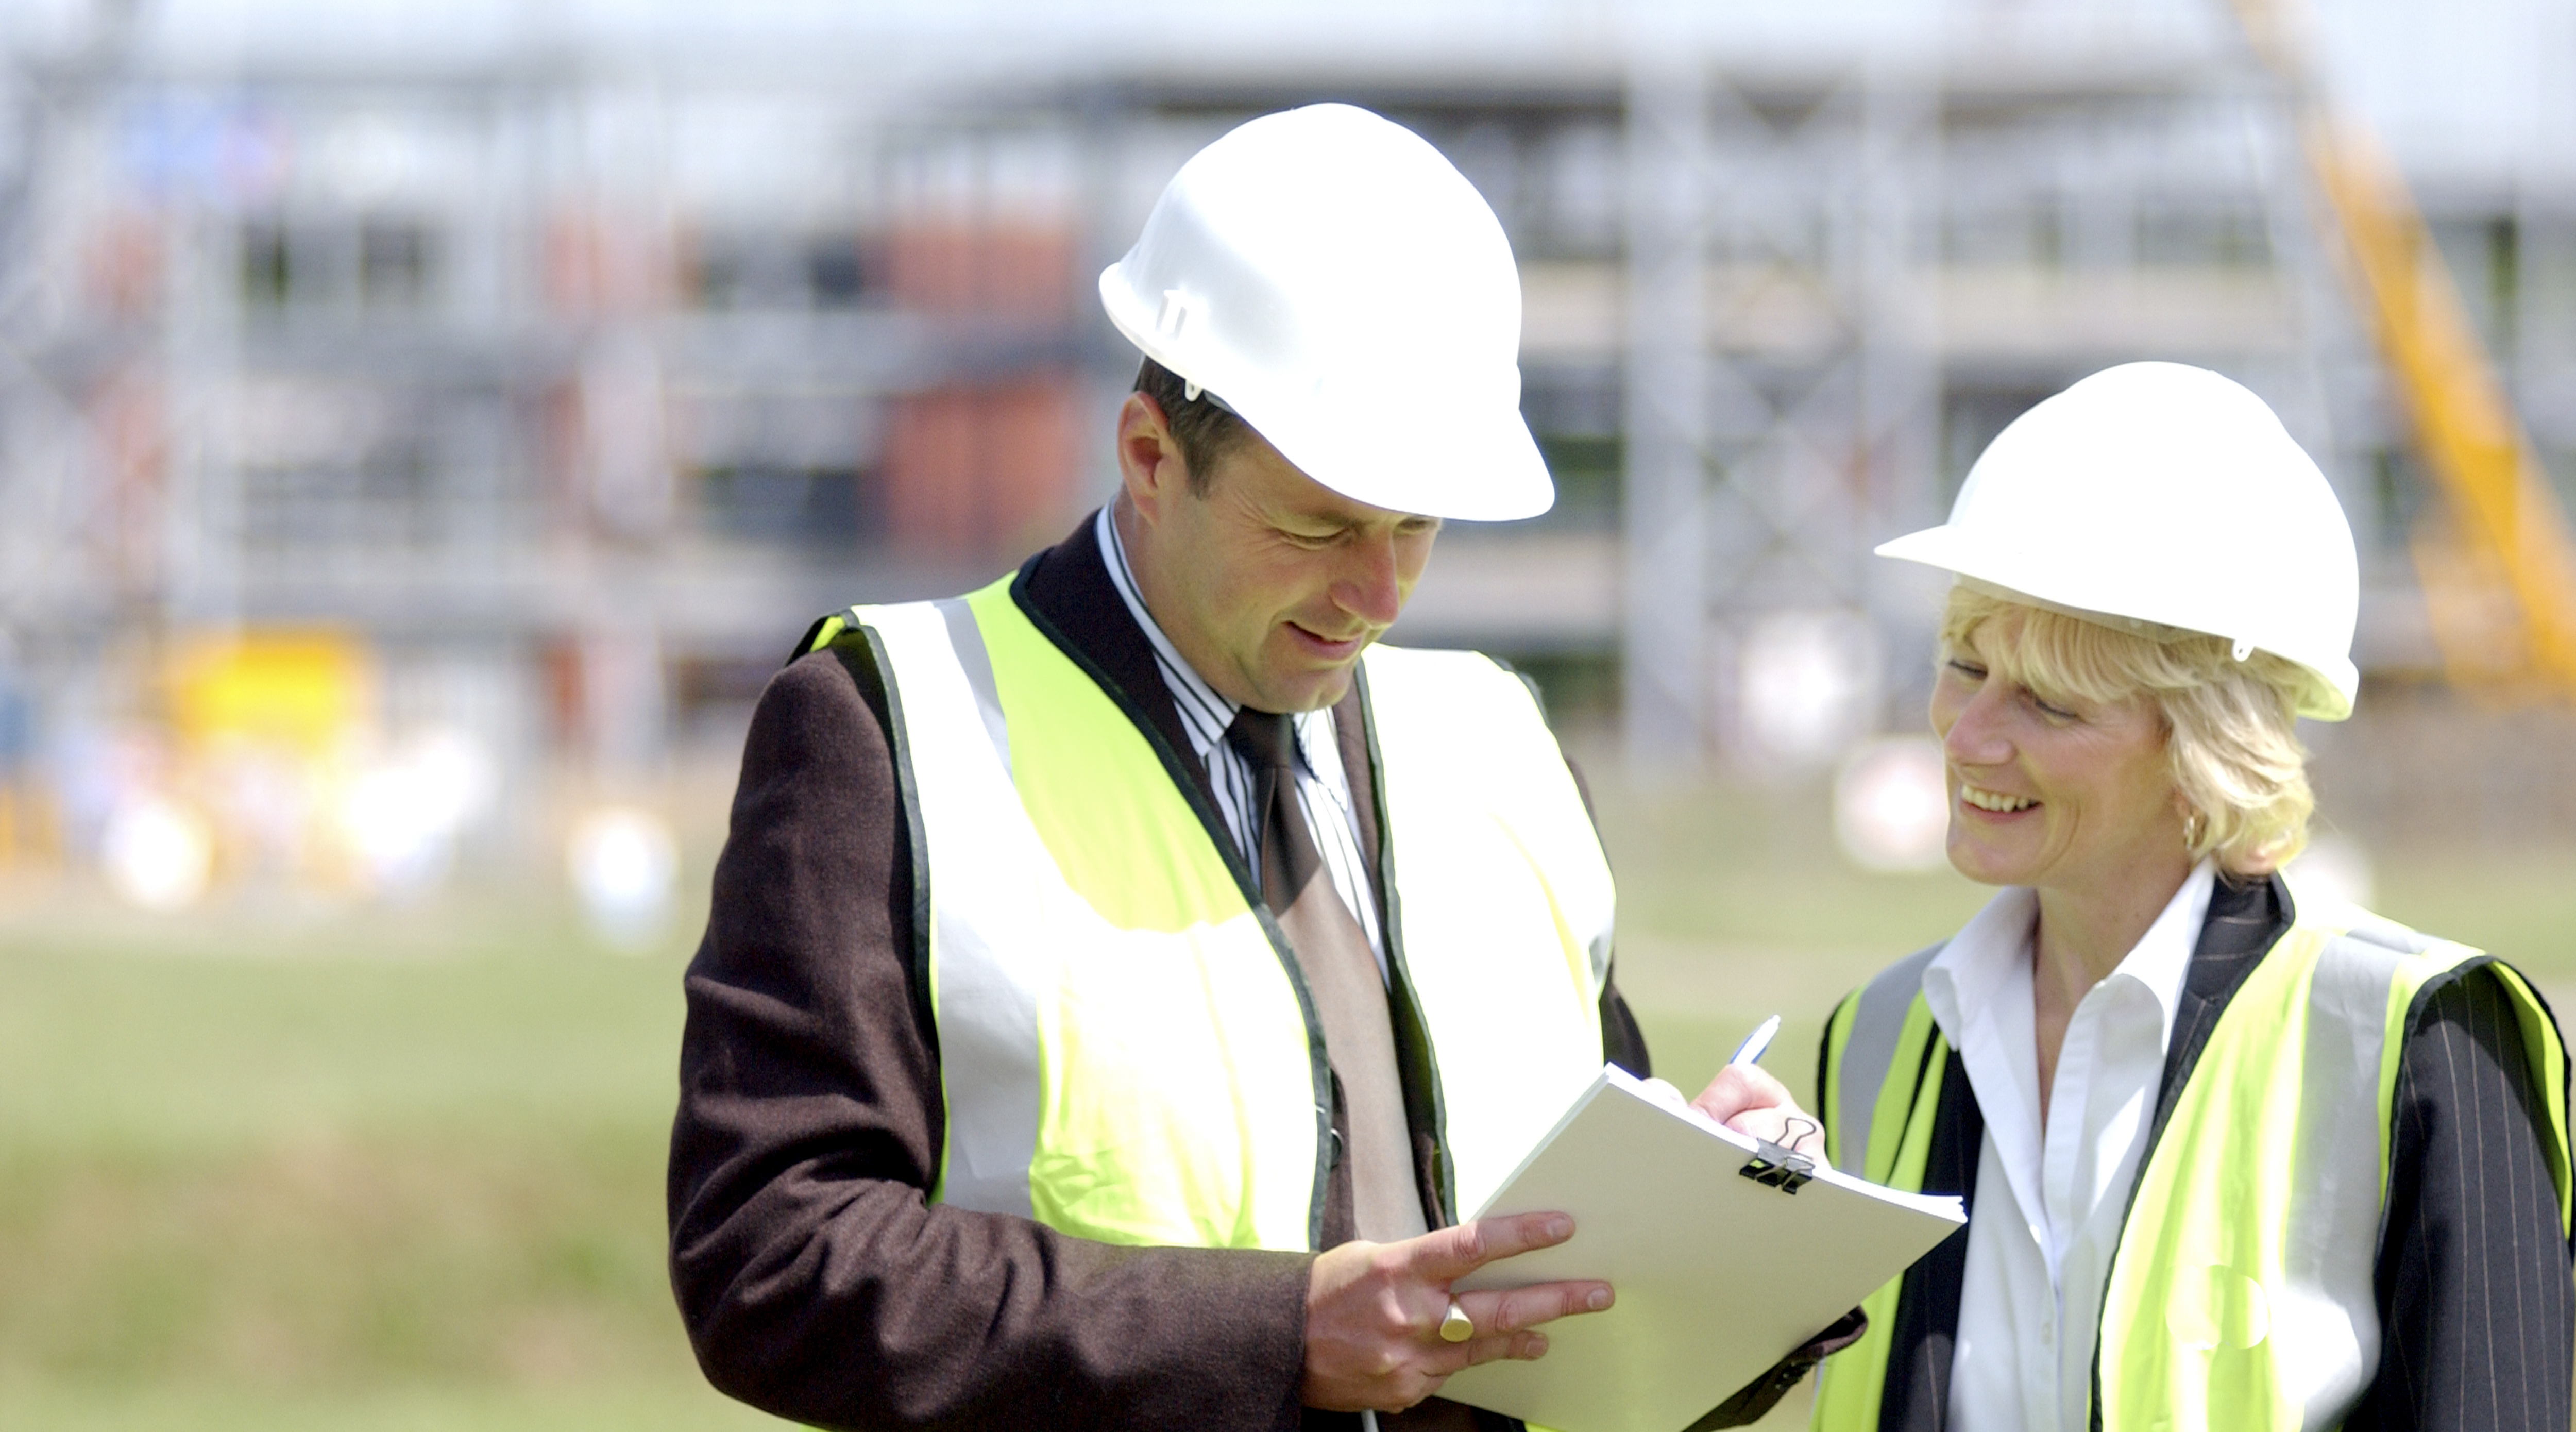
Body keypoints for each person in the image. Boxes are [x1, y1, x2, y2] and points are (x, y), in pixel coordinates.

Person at [667, 103, 1836, 1431]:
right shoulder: (890, 727)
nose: (1377, 590)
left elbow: (1567, 1264)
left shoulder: (1495, 739)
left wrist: (1714, 1212)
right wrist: (1272, 1340)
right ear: (1151, 457)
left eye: (1415, 526)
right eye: (1320, 525)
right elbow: (768, 1256)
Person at [1809, 362, 2576, 1432]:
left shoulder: (2424, 1045)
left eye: (2049, 701)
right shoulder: (1876, 1041)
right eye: (1961, 664)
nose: (1968, 734)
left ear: (2206, 746)